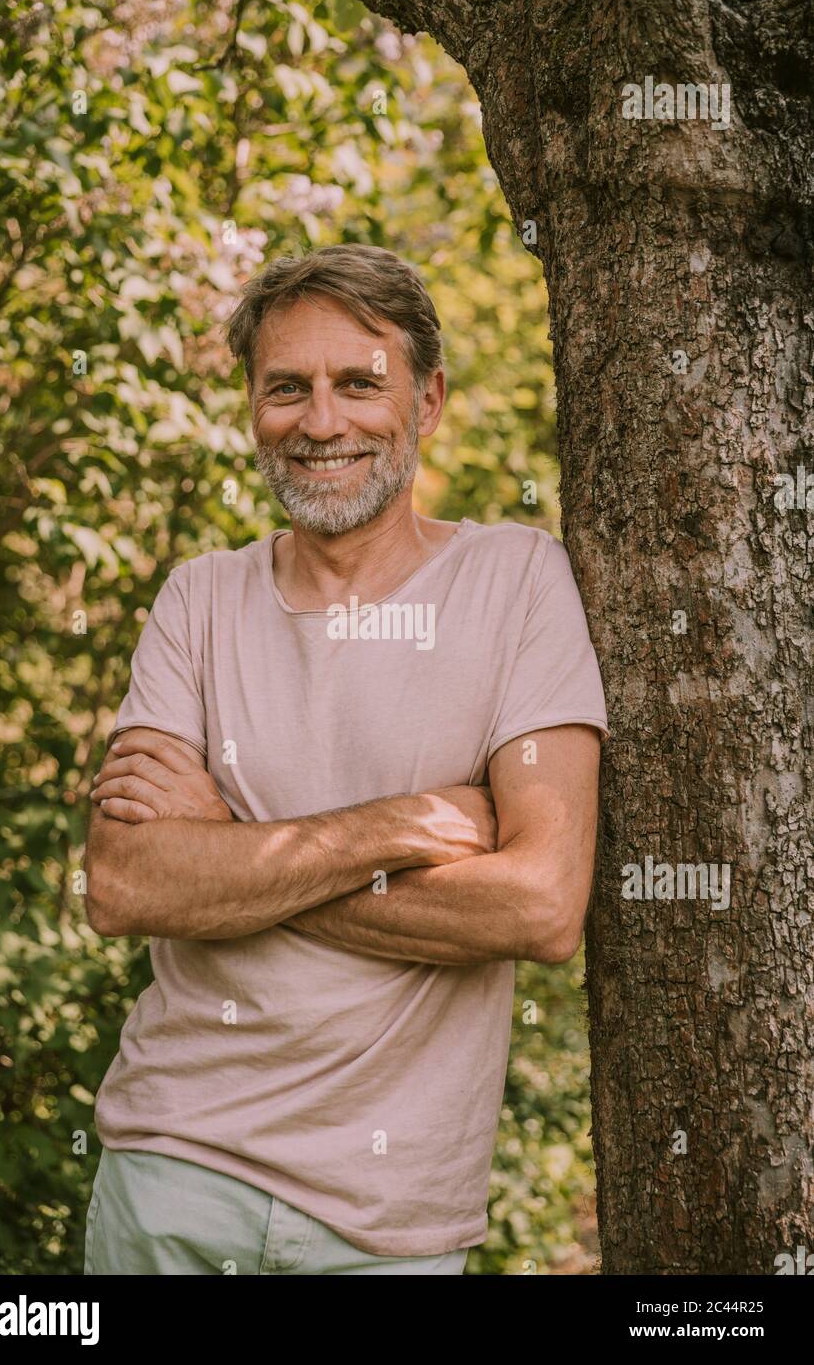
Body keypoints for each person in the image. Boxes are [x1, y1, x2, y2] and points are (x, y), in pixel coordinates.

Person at [82, 243, 609, 1276]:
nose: (320, 421)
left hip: (387, 1224)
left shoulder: (515, 583)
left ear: (427, 400)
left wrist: (228, 858)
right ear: (251, 405)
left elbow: (539, 904)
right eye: (287, 387)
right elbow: (122, 879)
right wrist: (395, 828)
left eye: (358, 383)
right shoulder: (200, 599)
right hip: (171, 1174)